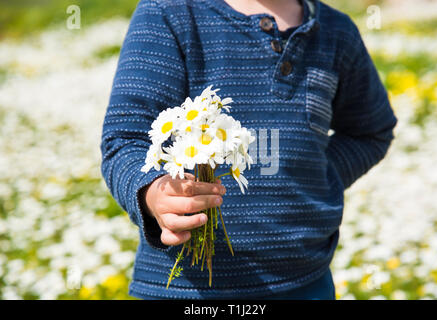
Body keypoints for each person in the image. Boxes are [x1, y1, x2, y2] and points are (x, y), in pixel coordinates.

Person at [100, 0, 397, 300]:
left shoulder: (337, 32)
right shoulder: (168, 13)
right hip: (187, 290)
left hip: (307, 282)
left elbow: (371, 130)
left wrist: (319, 177)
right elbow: (124, 139)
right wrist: (153, 193)